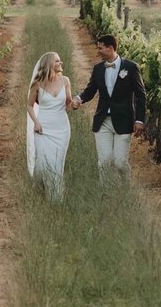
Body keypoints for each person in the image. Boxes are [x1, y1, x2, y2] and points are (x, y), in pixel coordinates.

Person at [72, 34, 145, 181]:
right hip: (102, 120)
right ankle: (106, 195)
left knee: (119, 163)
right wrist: (79, 98)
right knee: (104, 163)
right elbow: (90, 90)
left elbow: (141, 95)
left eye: (100, 48)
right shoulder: (98, 69)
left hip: (123, 120)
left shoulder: (131, 67)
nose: (97, 51)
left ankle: (125, 189)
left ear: (110, 48)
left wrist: (139, 120)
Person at [25, 51, 77, 199]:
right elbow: (29, 106)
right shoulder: (37, 84)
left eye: (60, 61)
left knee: (56, 164)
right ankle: (39, 194)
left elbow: (68, 103)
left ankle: (56, 199)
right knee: (42, 164)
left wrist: (74, 104)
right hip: (43, 128)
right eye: (57, 61)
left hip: (61, 129)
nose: (60, 63)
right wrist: (36, 122)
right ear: (49, 64)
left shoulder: (65, 81)